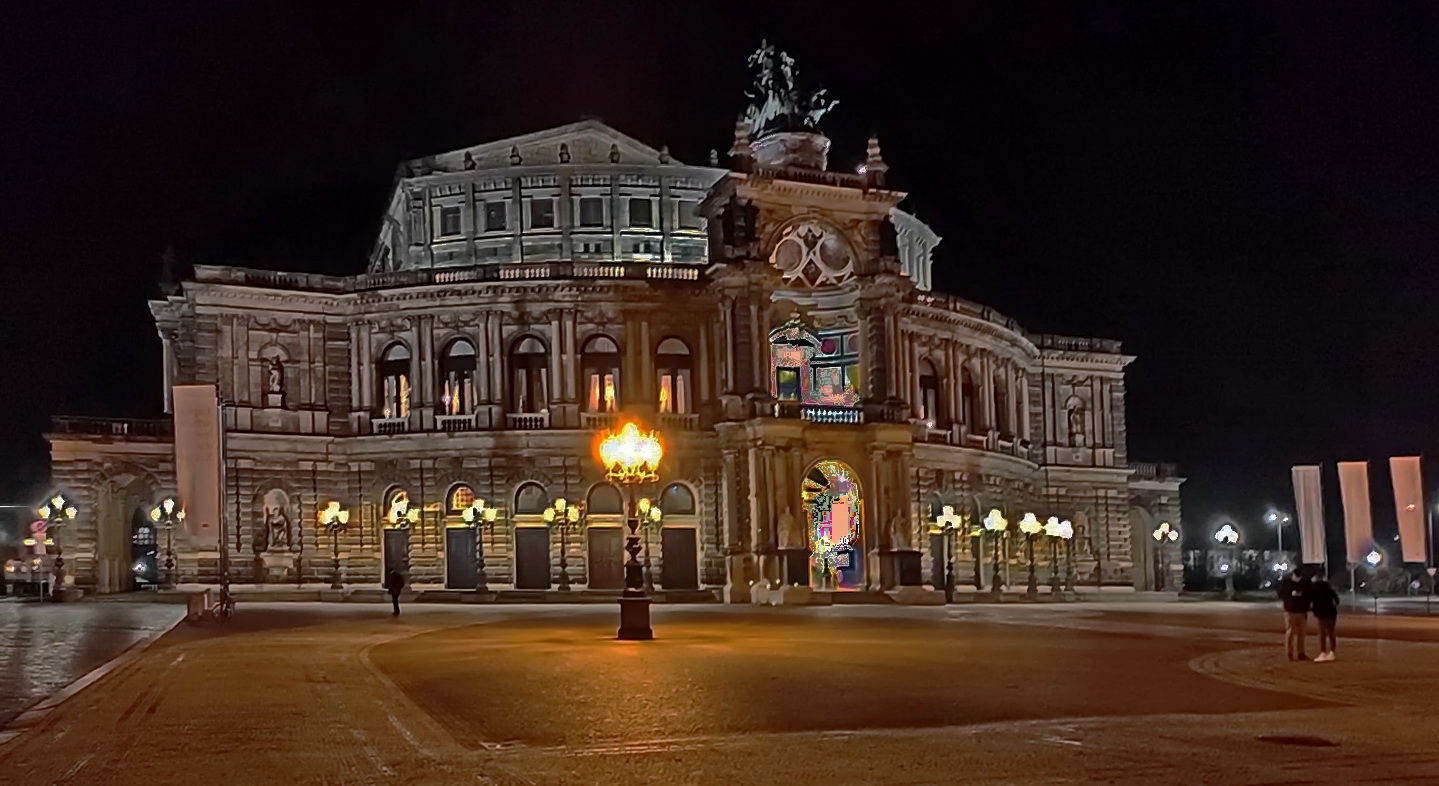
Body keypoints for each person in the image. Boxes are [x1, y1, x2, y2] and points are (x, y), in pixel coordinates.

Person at [1278, 567, 1311, 661]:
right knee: (1290, 632)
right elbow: (1281, 594)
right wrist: (1291, 594)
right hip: (1291, 611)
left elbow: (1309, 595)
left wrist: (1303, 596)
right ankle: (1290, 652)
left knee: (1301, 633)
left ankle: (1301, 653)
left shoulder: (1305, 583)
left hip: (1301, 611)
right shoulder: (1287, 583)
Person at [1310, 573, 1340, 662]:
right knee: (1331, 633)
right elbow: (1337, 601)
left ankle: (1323, 652)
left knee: (1322, 634)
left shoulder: (1313, 589)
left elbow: (1310, 600)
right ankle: (1332, 652)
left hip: (1321, 613)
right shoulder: (1329, 588)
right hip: (1331, 613)